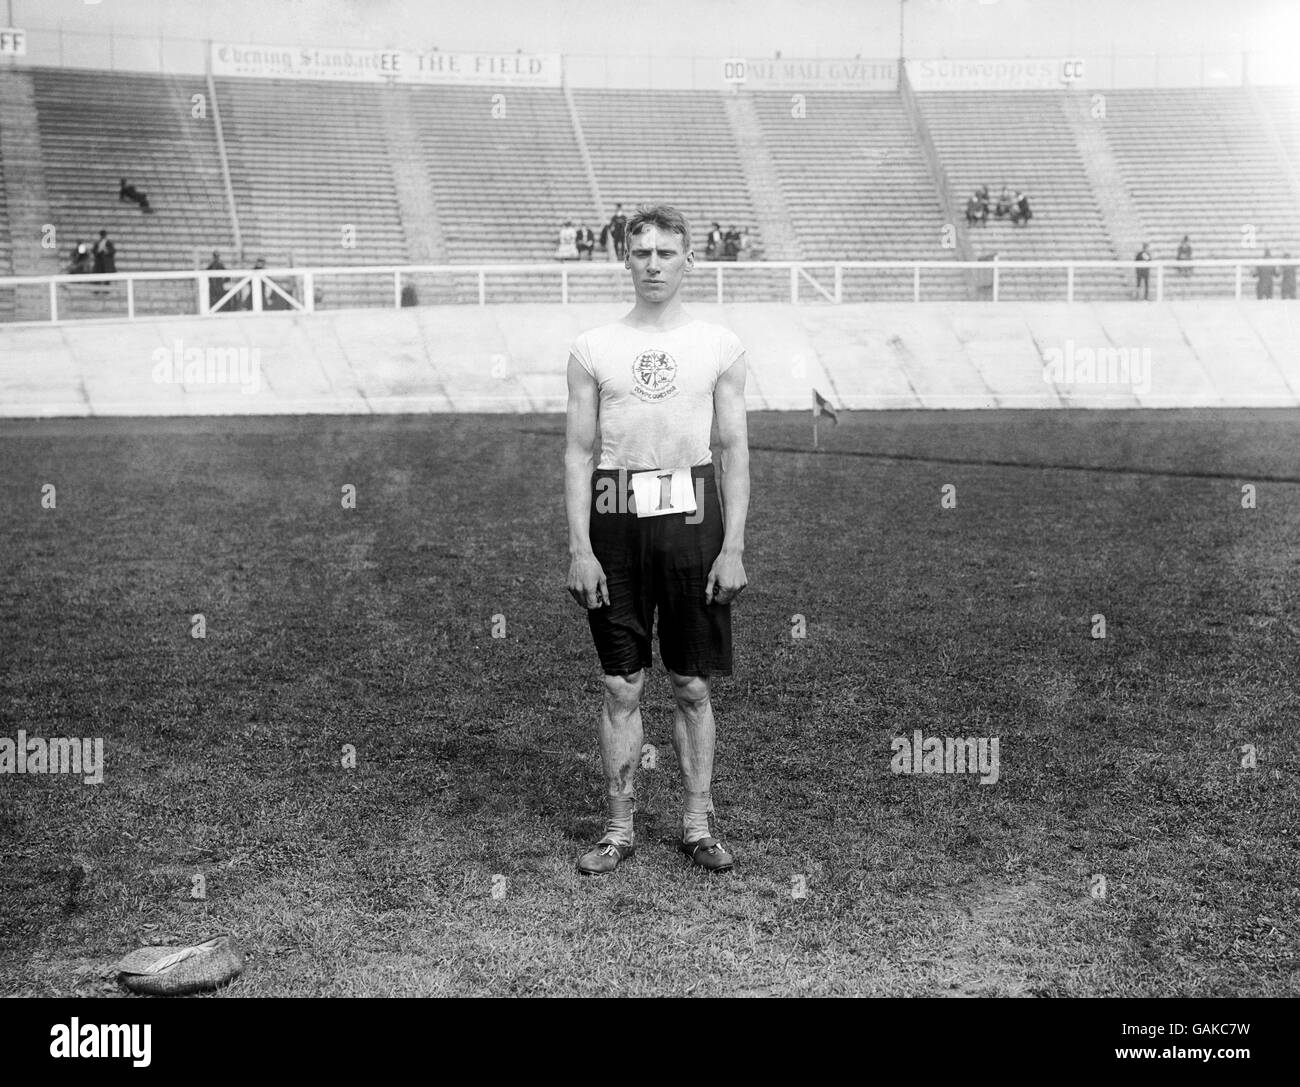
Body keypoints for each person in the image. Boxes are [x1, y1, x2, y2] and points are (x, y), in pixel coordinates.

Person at [564, 204, 749, 877]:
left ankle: (698, 823)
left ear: (688, 260)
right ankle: (618, 828)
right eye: (641, 253)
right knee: (621, 683)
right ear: (624, 259)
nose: (652, 264)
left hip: (692, 514)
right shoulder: (593, 347)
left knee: (692, 682)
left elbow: (732, 449)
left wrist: (733, 546)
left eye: (666, 253)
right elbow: (579, 453)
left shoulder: (719, 346)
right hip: (616, 516)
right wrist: (581, 546)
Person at [91, 229, 116, 295]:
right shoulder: (98, 243)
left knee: (107, 277)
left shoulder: (109, 243)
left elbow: (113, 251)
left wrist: (106, 250)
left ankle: (106, 291)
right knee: (97, 277)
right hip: (99, 263)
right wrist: (99, 250)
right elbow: (93, 251)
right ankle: (96, 290)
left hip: (106, 263)